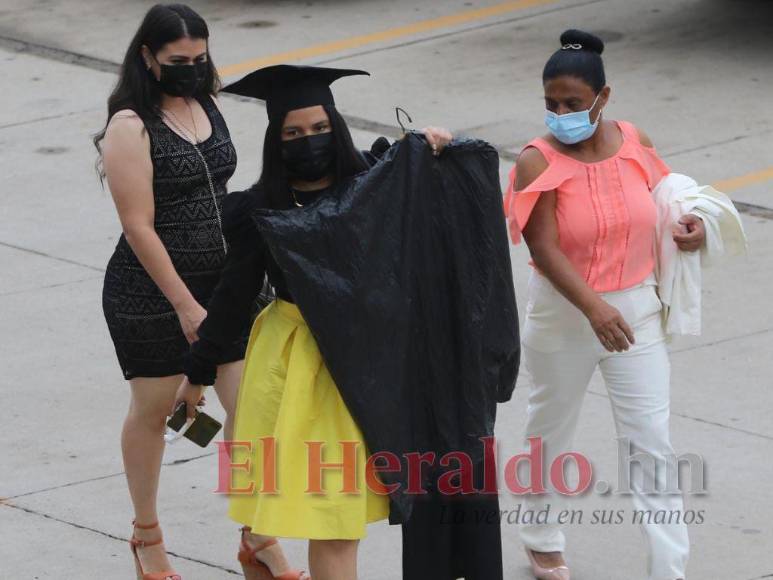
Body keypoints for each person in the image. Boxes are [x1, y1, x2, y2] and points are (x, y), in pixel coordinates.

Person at [172, 64, 460, 580]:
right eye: (294, 134)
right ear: (275, 140)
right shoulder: (259, 209)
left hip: (372, 365)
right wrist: (197, 373)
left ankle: (258, 545)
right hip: (302, 367)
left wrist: (430, 145)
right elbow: (234, 296)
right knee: (335, 520)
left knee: (338, 514)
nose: (309, 142)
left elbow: (436, 203)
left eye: (320, 128)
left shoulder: (375, 182)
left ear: (337, 126)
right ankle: (259, 543)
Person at [503, 29, 704, 580]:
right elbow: (542, 247)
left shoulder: (635, 139)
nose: (559, 114)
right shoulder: (535, 161)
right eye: (550, 103)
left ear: (603, 97)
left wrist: (691, 226)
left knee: (651, 444)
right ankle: (541, 535)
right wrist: (593, 308)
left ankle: (669, 570)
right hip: (566, 314)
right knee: (550, 427)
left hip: (636, 310)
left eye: (572, 103)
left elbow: (668, 200)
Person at [95, 4, 263, 579]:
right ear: (148, 58)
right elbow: (138, 224)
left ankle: (258, 536)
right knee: (157, 410)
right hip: (151, 293)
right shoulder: (129, 126)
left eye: (200, 58)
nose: (193, 69)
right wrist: (185, 306)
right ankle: (147, 536)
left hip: (228, 283)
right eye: (178, 61)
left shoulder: (206, 103)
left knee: (251, 410)